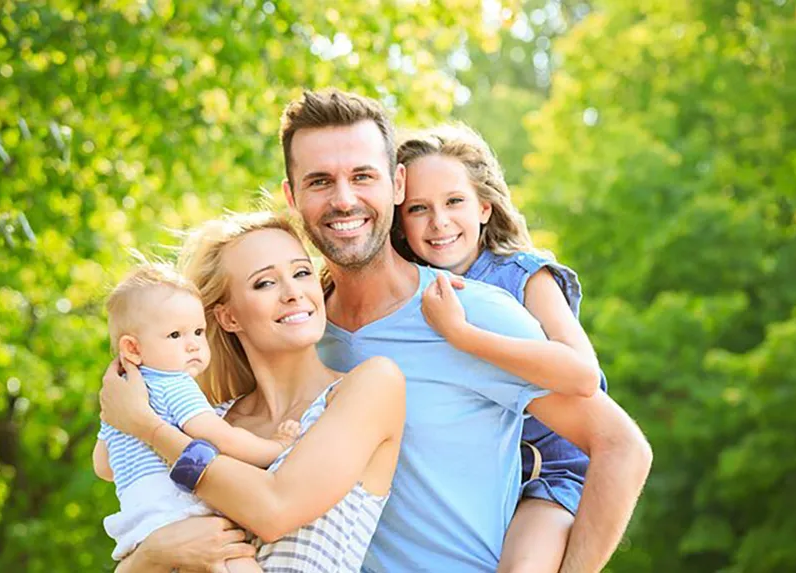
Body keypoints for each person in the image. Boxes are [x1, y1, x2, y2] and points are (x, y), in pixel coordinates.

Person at [102, 89, 652, 573]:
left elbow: (621, 448)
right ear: (293, 198)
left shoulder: (467, 314)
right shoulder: (291, 330)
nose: (343, 199)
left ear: (397, 183)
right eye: (320, 181)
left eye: (362, 175)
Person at [99, 214, 406, 572]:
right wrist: (152, 554)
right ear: (229, 318)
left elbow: (275, 511)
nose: (293, 292)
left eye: (302, 272)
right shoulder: (210, 419)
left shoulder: (370, 386)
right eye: (264, 283)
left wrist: (147, 428)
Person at [392, 123, 608, 572]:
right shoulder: (402, 292)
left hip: (544, 475)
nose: (439, 222)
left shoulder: (524, 276)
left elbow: (584, 375)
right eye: (418, 208)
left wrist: (464, 336)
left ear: (485, 208)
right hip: (471, 487)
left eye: (455, 202)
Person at [94, 263, 302, 571]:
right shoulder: (174, 384)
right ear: (133, 349)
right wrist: (278, 446)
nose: (192, 343)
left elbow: (103, 467)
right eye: (175, 334)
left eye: (198, 331)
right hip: (178, 508)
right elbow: (220, 437)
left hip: (137, 524)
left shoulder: (119, 401)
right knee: (240, 563)